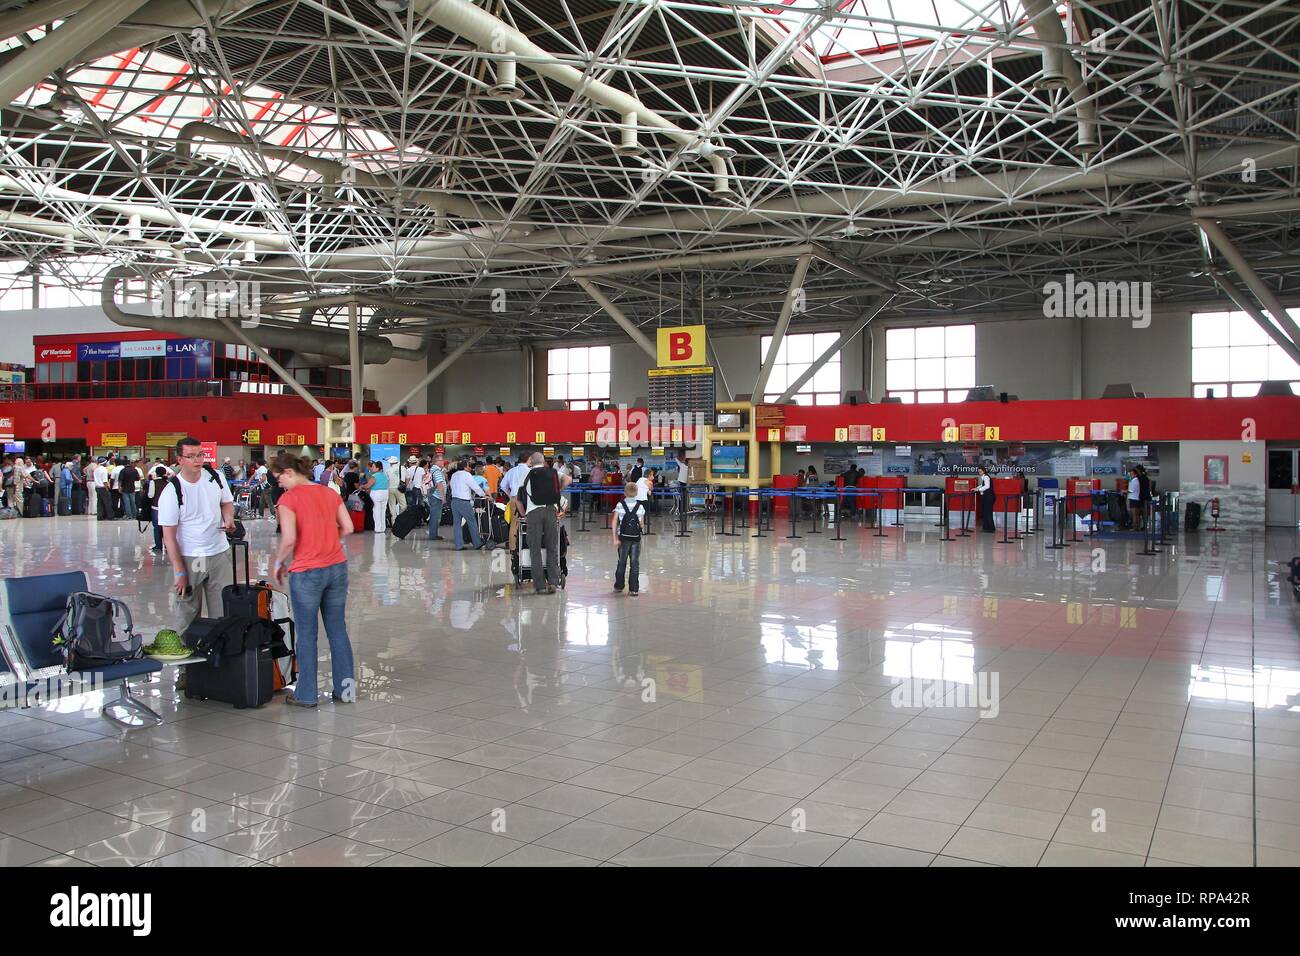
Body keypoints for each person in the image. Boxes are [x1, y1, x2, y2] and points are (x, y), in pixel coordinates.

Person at [269, 452, 356, 708]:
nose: (279, 485)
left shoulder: (289, 499)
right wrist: (328, 536)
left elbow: (289, 539)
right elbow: (349, 527)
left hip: (307, 572)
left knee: (307, 635)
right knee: (337, 630)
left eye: (278, 479)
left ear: (288, 472)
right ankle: (346, 691)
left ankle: (306, 695)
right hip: (337, 567)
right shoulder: (330, 493)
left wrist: (278, 563)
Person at [157, 437, 236, 632]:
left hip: (220, 554)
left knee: (224, 612)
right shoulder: (172, 491)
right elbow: (168, 536)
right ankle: (187, 660)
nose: (197, 460)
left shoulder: (215, 477)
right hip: (192, 557)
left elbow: (226, 503)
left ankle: (221, 657)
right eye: (191, 456)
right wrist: (180, 571)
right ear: (180, 460)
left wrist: (228, 518)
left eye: (200, 455)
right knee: (188, 613)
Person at [519, 452, 562, 593]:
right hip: (551, 510)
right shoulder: (553, 473)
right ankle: (553, 582)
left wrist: (523, 514)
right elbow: (567, 479)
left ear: (530, 461)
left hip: (534, 513)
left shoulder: (525, 475)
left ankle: (540, 585)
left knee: (535, 548)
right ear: (543, 461)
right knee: (552, 547)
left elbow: (518, 499)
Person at [612, 481, 644, 596]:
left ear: (625, 492)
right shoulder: (640, 506)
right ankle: (634, 589)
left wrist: (615, 538)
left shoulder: (620, 505)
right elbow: (641, 525)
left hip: (623, 538)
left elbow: (615, 521)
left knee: (622, 562)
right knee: (635, 563)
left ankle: (619, 586)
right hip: (635, 538)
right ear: (636, 493)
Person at [449, 458, 487, 551]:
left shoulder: (454, 475)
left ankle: (459, 545)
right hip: (464, 502)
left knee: (457, 523)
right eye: (469, 466)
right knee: (471, 521)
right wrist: (484, 494)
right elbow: (475, 486)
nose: (470, 468)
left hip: (454, 501)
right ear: (466, 467)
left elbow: (451, 485)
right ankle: (477, 543)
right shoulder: (466, 475)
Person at [146, 462, 169, 552]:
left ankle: (158, 546)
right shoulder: (168, 483)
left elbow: (150, 495)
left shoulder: (153, 482)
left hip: (156, 508)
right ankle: (167, 545)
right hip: (166, 509)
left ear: (156, 473)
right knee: (166, 528)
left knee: (157, 527)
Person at [423, 457, 448, 540]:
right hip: (436, 496)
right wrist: (443, 497)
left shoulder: (434, 470)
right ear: (436, 462)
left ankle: (434, 534)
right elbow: (439, 484)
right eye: (441, 460)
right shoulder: (437, 471)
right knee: (435, 516)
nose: (443, 461)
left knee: (435, 516)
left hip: (434, 495)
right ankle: (433, 535)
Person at [363, 460, 389, 534]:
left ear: (377, 468)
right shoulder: (384, 475)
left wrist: (362, 486)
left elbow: (368, 485)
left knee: (376, 511)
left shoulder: (374, 476)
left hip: (376, 493)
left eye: (374, 466)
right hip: (385, 493)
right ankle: (383, 528)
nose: (372, 468)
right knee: (383, 511)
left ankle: (378, 528)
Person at [976, 465, 995, 532]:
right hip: (987, 497)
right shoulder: (984, 477)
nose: (979, 473)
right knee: (986, 512)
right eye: (978, 472)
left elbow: (987, 486)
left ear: (984, 471)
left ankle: (991, 528)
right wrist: (977, 488)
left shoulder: (986, 477)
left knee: (988, 512)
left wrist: (978, 490)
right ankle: (986, 527)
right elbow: (983, 485)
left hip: (988, 497)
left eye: (980, 471)